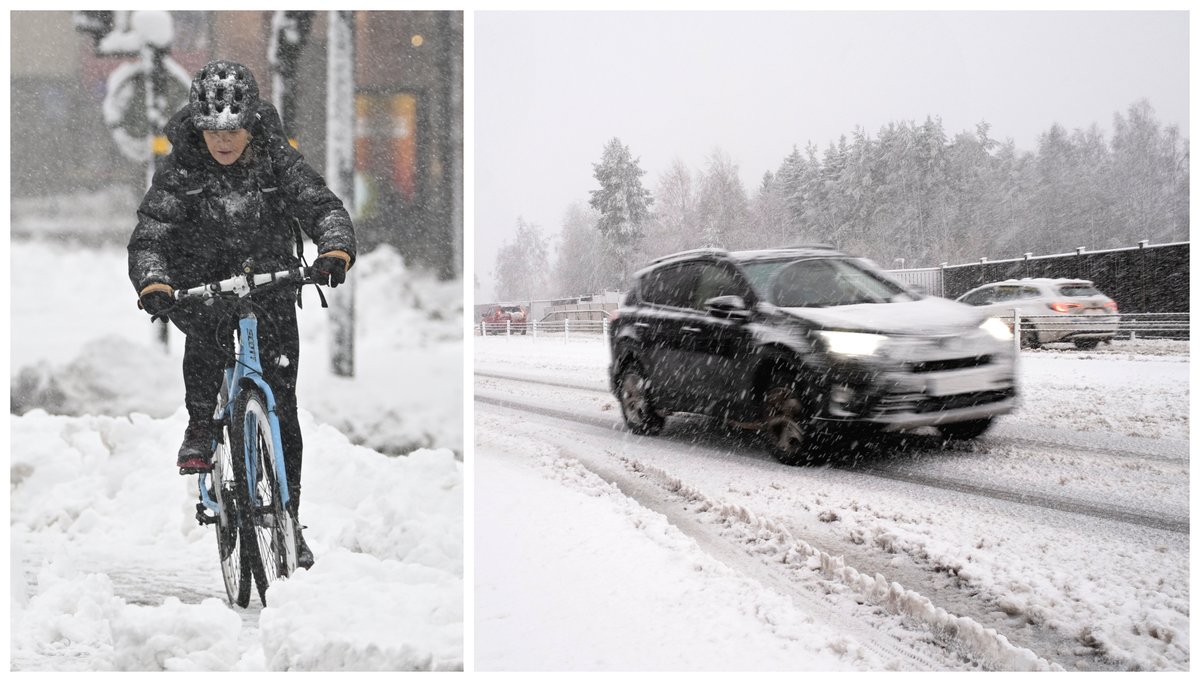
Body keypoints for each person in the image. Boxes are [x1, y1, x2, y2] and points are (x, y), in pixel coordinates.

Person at [128, 60, 356, 569]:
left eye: (233, 130)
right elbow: (150, 235)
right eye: (214, 132)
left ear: (252, 124)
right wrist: (154, 280)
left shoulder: (276, 157)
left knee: (283, 408)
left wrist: (335, 245)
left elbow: (320, 204)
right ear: (200, 129)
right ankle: (201, 427)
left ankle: (289, 520)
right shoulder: (182, 167)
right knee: (207, 346)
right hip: (203, 287)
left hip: (272, 284)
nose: (224, 141)